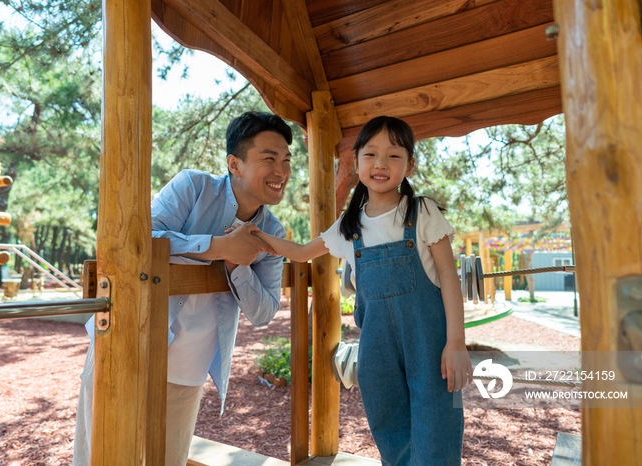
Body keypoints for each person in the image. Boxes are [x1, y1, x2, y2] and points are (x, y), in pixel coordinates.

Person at [72, 111, 293, 466]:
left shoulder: (274, 233)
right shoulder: (193, 186)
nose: (281, 171)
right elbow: (141, 239)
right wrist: (220, 247)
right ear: (234, 164)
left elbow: (265, 312)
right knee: (100, 458)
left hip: (189, 372)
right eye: (269, 158)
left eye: (286, 160)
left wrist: (239, 265)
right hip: (127, 349)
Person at [251, 116, 472, 465]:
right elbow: (301, 252)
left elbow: (449, 277)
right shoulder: (349, 226)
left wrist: (456, 343)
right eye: (370, 154)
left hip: (430, 347)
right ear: (355, 163)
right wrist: (256, 235)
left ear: (410, 165)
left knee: (436, 433)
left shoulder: (422, 211)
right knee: (391, 433)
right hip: (377, 353)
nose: (381, 164)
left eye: (394, 156)